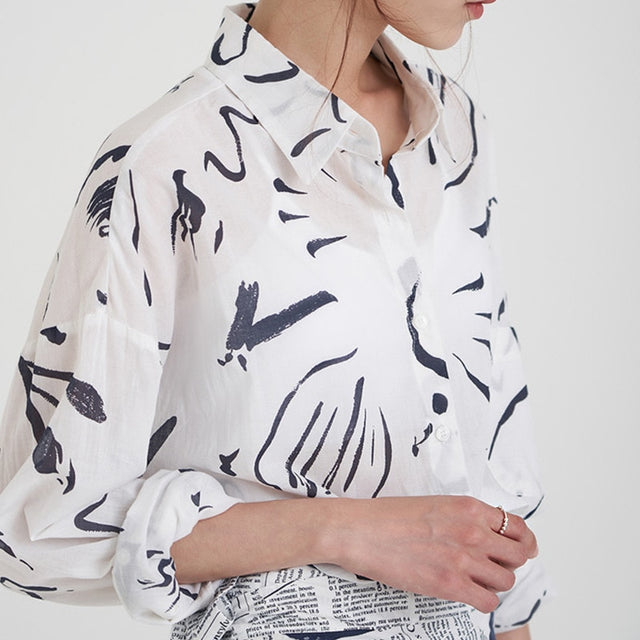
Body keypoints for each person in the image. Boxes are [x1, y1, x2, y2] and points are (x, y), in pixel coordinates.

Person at [0, 0, 547, 638]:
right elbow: (42, 534)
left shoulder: (456, 129)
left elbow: (498, 464)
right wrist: (340, 531)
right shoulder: (162, 164)